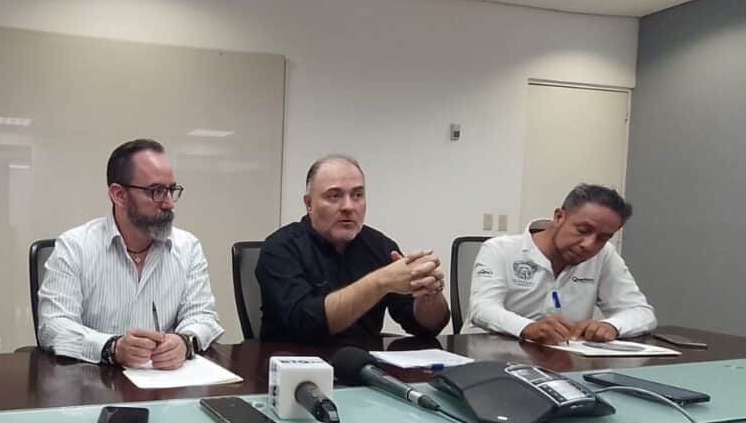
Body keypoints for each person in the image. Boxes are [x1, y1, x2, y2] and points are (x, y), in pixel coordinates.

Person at [37, 138, 223, 370]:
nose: (169, 203)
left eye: (171, 190)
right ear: (119, 195)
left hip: (165, 382)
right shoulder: (75, 246)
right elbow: (53, 326)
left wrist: (184, 342)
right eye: (157, 191)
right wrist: (111, 348)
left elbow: (204, 316)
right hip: (95, 382)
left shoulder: (188, 247)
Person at [256, 155, 449, 344]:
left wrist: (429, 293)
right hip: (296, 360)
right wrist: (380, 282)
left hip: (364, 360)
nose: (348, 207)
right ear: (309, 204)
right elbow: (306, 323)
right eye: (334, 196)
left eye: (357, 195)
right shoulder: (280, 248)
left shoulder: (380, 246)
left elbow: (427, 327)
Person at [469, 183, 655, 344]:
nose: (589, 244)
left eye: (603, 238)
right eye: (583, 230)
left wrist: (612, 325)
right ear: (559, 217)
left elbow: (641, 312)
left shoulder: (604, 255)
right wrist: (528, 328)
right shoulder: (500, 249)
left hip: (562, 358)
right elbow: (482, 309)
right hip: (492, 354)